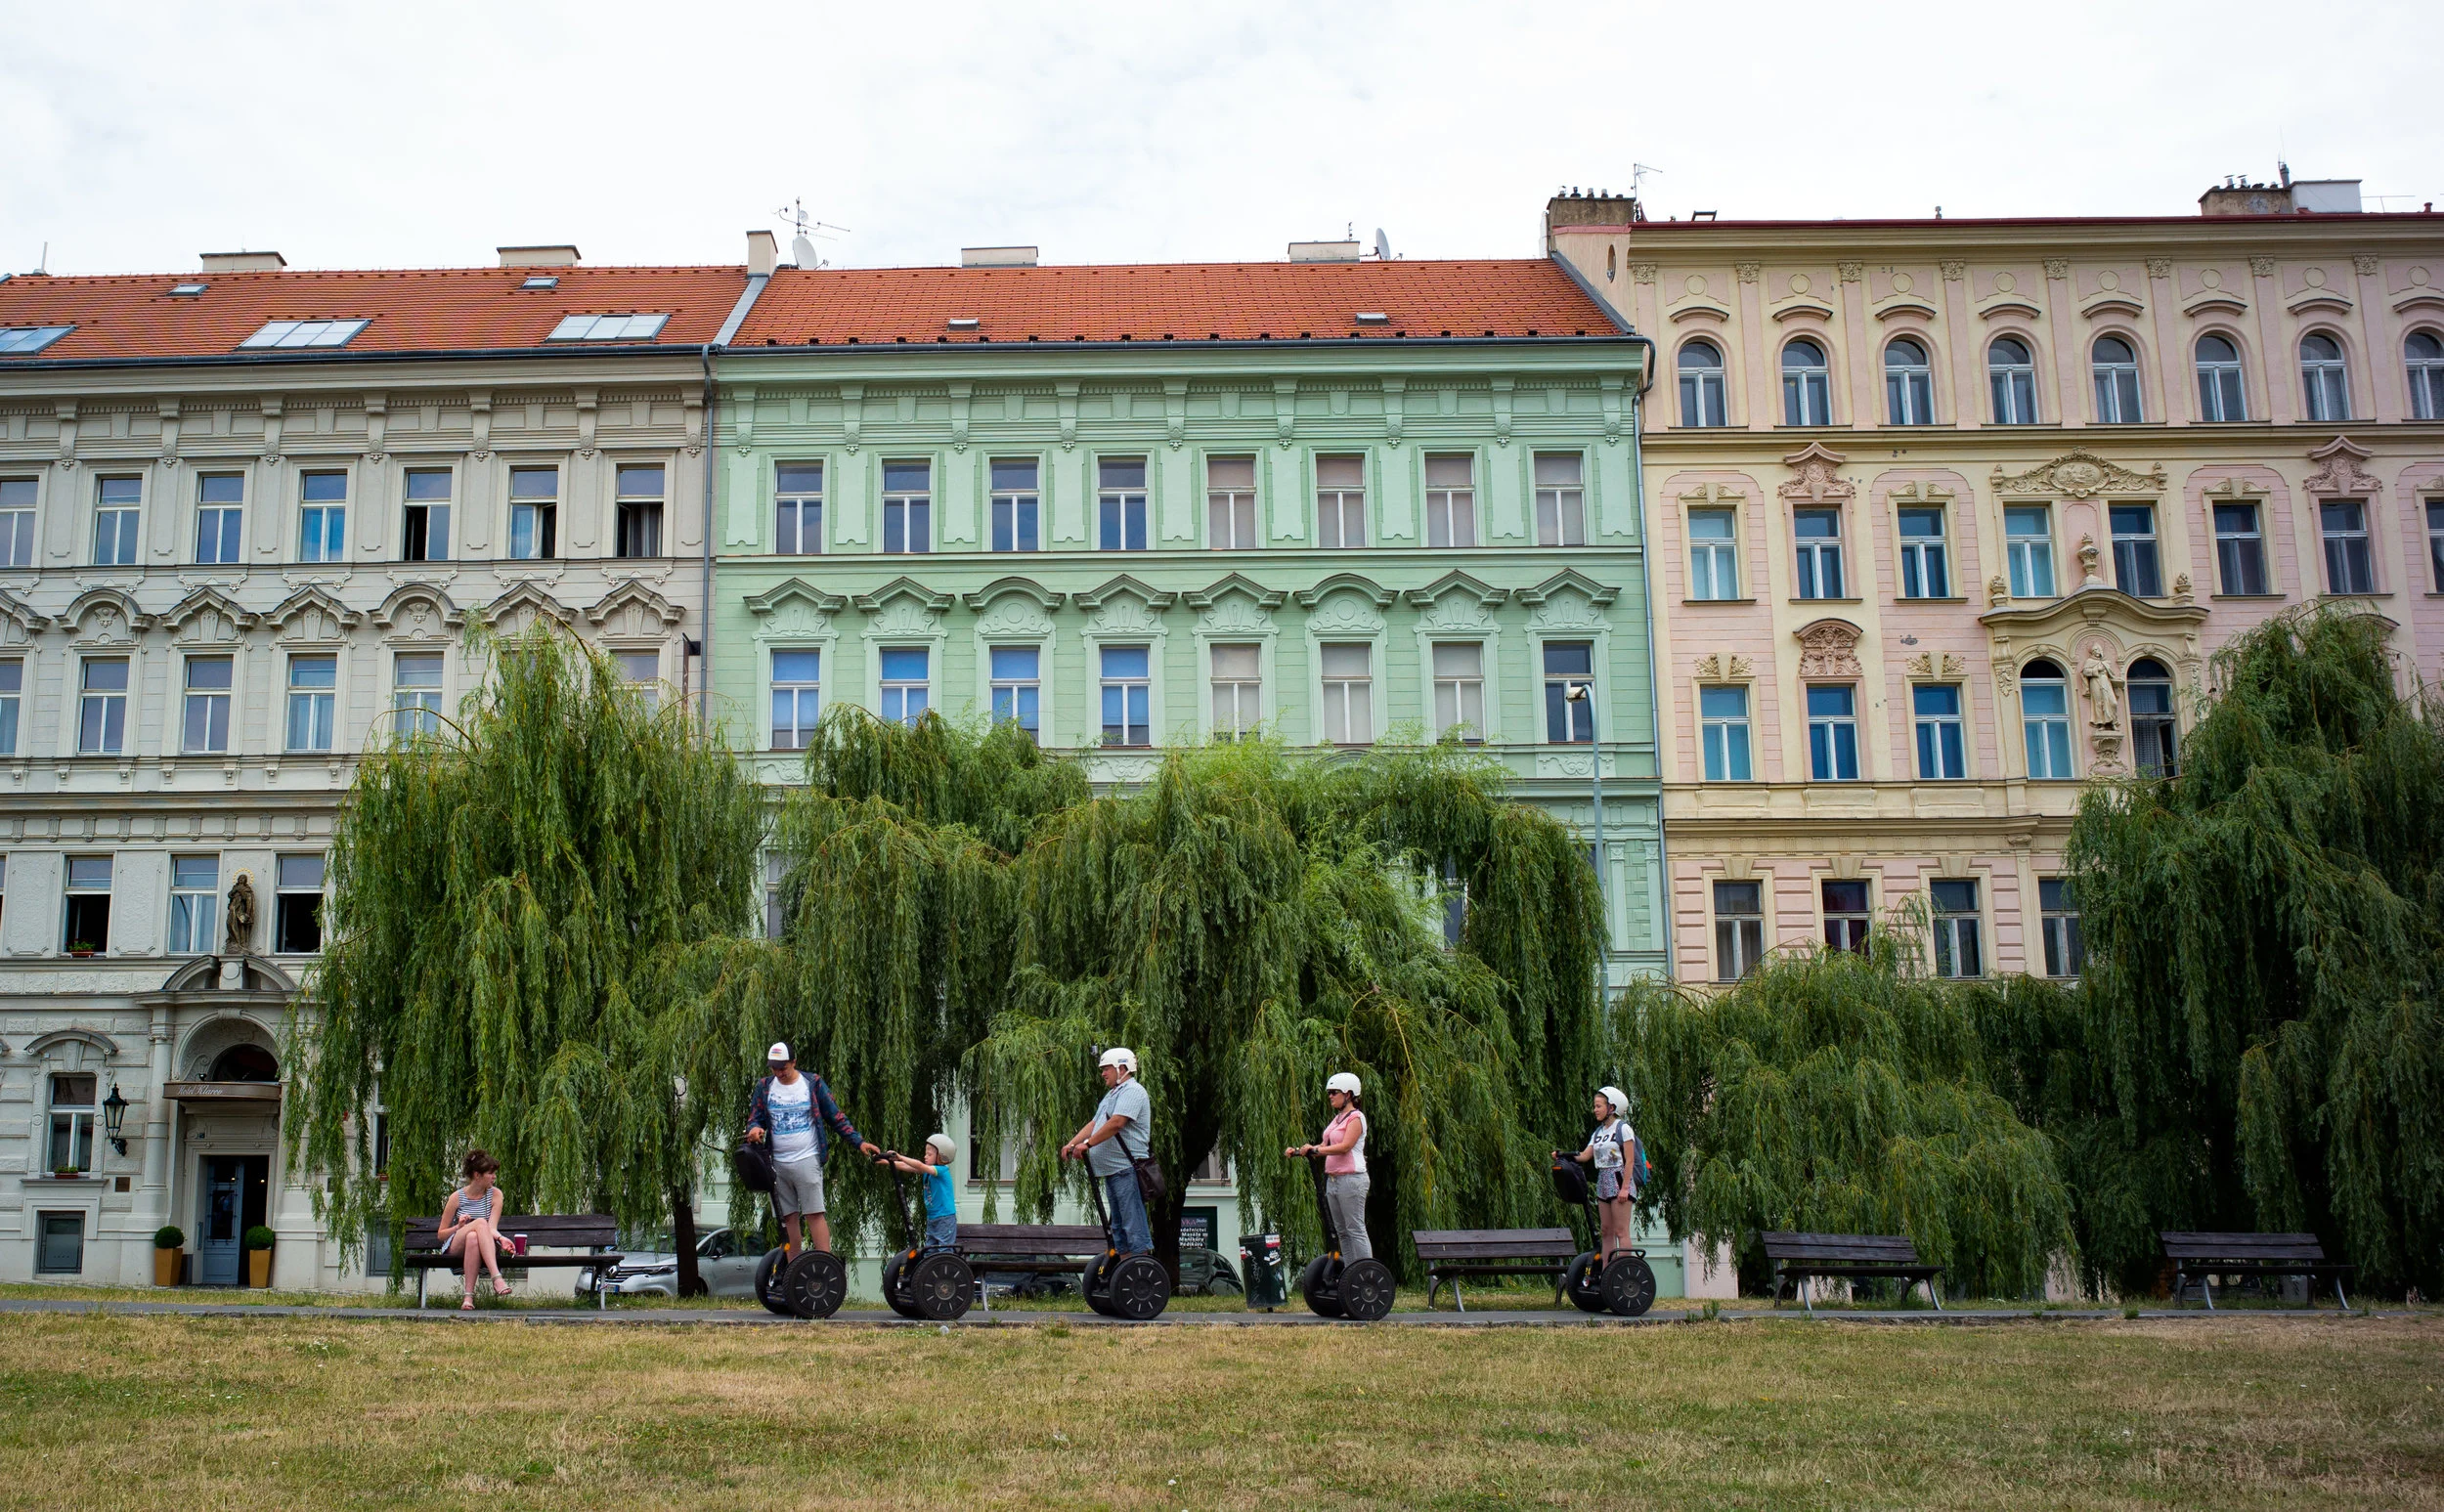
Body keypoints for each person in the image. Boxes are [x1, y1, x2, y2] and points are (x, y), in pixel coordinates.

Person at [742, 1042, 881, 1261]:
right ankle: (795, 1270)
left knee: (814, 1213)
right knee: (788, 1218)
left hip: (807, 1158)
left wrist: (859, 1142)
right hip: (777, 1163)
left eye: (783, 1067)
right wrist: (755, 1129)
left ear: (793, 1062)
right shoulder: (765, 1086)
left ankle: (825, 1265)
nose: (778, 1072)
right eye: (774, 1068)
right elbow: (755, 1118)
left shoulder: (812, 1083)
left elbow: (835, 1116)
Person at [1061, 1047, 1153, 1256]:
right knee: (1119, 1228)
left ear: (1122, 1068)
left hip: (1126, 1169)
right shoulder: (1112, 1095)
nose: (1102, 1073)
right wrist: (1072, 1143)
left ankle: (1140, 1274)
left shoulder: (1133, 1091)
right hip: (1113, 1172)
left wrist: (1088, 1145)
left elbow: (1116, 1123)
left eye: (1107, 1068)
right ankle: (1125, 1275)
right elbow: (1095, 1123)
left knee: (1132, 1226)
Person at [1286, 1071, 1371, 1264]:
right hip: (1333, 1180)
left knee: (1355, 1228)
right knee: (1342, 1232)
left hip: (1352, 1179)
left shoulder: (1355, 1118)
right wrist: (1300, 1151)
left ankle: (1366, 1271)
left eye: (1334, 1092)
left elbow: (1345, 1146)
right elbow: (1325, 1146)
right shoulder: (1338, 1118)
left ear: (1348, 1094)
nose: (1330, 1096)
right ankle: (1351, 1273)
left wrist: (1316, 1149)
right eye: (1329, 1093)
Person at [1561, 1085, 1637, 1263]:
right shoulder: (1598, 1133)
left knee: (1621, 1230)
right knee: (1606, 1231)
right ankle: (1607, 1273)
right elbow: (1585, 1155)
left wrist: (1625, 1188)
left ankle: (1624, 1270)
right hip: (1603, 1179)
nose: (1595, 1110)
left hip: (1619, 1179)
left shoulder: (1623, 1129)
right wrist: (1564, 1155)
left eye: (1599, 1106)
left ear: (1611, 1108)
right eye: (1595, 1106)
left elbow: (1630, 1161)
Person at [437, 1148, 514, 1311]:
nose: (494, 1177)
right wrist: (458, 1226)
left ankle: (468, 1298)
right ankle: (497, 1278)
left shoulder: (496, 1195)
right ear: (477, 1175)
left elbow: (491, 1227)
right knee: (479, 1223)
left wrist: (501, 1239)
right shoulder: (456, 1197)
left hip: (479, 1244)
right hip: (456, 1245)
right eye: (490, 1173)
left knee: (473, 1236)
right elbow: (441, 1234)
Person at [879, 1134, 960, 1250]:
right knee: (929, 1251)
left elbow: (919, 1165)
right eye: (925, 1153)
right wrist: (888, 1162)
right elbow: (907, 1166)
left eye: (929, 1154)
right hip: (932, 1217)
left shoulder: (941, 1171)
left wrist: (900, 1156)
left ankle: (946, 1268)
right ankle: (930, 1268)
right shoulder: (928, 1170)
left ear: (941, 1156)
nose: (925, 1156)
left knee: (944, 1251)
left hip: (944, 1219)